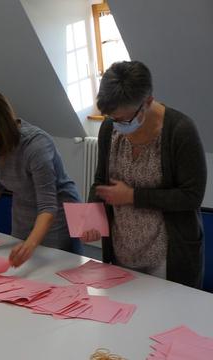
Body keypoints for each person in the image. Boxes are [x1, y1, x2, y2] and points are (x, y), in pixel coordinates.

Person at [83, 61, 207, 288]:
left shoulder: (180, 131)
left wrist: (132, 196)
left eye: (124, 119)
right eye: (112, 117)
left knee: (167, 318)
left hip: (168, 255)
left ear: (147, 102)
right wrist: (91, 218)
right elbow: (100, 182)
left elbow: (191, 196)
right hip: (122, 250)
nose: (118, 124)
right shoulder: (110, 129)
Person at [0, 88, 81, 267]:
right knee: (23, 271)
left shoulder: (36, 145)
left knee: (53, 272)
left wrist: (30, 244)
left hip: (56, 217)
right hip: (23, 212)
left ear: (1, 125)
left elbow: (48, 206)